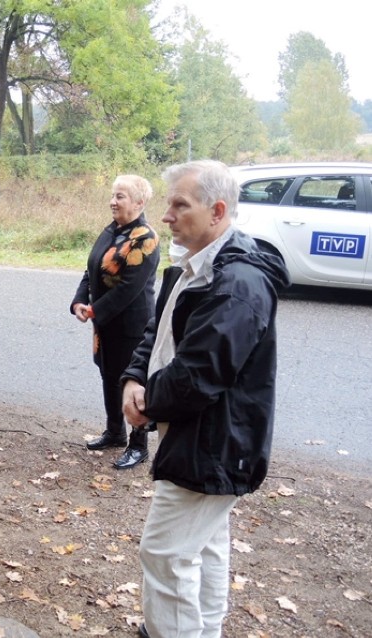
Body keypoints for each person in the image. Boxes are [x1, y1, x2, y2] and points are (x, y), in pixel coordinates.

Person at [120, 161, 289, 638]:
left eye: (179, 204)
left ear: (217, 211)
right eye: (168, 203)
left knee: (166, 552)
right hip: (200, 435)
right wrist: (134, 378)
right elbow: (157, 332)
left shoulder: (237, 284)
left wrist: (146, 402)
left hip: (215, 442)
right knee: (205, 545)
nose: (167, 216)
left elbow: (199, 374)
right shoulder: (192, 267)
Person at [71, 175, 160, 470]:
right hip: (104, 323)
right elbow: (91, 270)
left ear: (139, 202)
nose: (113, 201)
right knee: (108, 375)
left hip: (131, 326)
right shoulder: (111, 230)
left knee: (131, 383)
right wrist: (78, 301)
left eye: (120, 196)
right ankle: (114, 432)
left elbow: (128, 289)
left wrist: (94, 310)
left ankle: (138, 445)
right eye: (113, 195)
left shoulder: (145, 238)